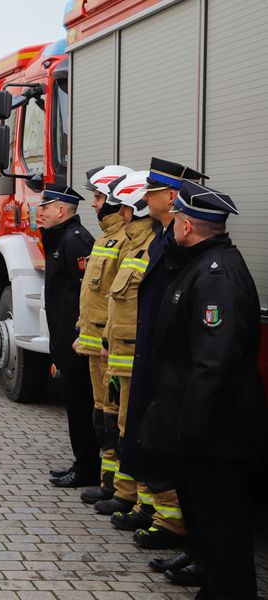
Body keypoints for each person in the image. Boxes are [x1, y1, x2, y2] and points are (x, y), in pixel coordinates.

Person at [140, 181, 267, 595]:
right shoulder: (200, 265)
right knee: (207, 524)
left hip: (216, 429)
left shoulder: (216, 276)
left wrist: (192, 427)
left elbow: (213, 361)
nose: (171, 226)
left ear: (187, 226)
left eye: (175, 219)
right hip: (199, 424)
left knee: (222, 527)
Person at [95, 172, 189, 552]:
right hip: (125, 354)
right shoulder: (142, 245)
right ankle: (143, 504)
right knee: (124, 427)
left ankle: (162, 515)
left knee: (144, 433)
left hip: (141, 358)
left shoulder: (157, 247)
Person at [74, 165, 133, 505]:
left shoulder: (125, 241)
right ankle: (109, 481)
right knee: (104, 416)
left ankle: (119, 487)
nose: (94, 204)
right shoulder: (107, 239)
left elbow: (118, 302)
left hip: (113, 351)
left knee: (115, 419)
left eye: (98, 197)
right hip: (98, 347)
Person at [38, 184, 100, 489]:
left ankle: (88, 467)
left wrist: (79, 333)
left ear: (61, 210)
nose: (40, 212)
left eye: (46, 207)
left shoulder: (75, 241)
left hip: (76, 339)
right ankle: (83, 463)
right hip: (66, 337)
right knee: (75, 406)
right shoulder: (61, 238)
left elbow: (86, 294)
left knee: (81, 406)